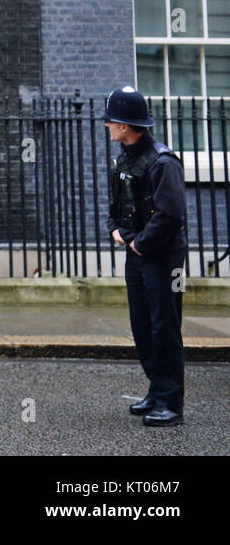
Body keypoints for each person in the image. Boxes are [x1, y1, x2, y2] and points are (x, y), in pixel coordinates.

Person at [103, 85, 188, 427]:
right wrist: (115, 230)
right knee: (142, 325)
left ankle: (171, 402)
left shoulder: (163, 162)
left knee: (164, 326)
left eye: (110, 121)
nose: (107, 126)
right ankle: (156, 391)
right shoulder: (124, 156)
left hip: (163, 257)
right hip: (137, 253)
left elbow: (170, 214)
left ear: (124, 125)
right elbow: (116, 205)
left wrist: (139, 244)